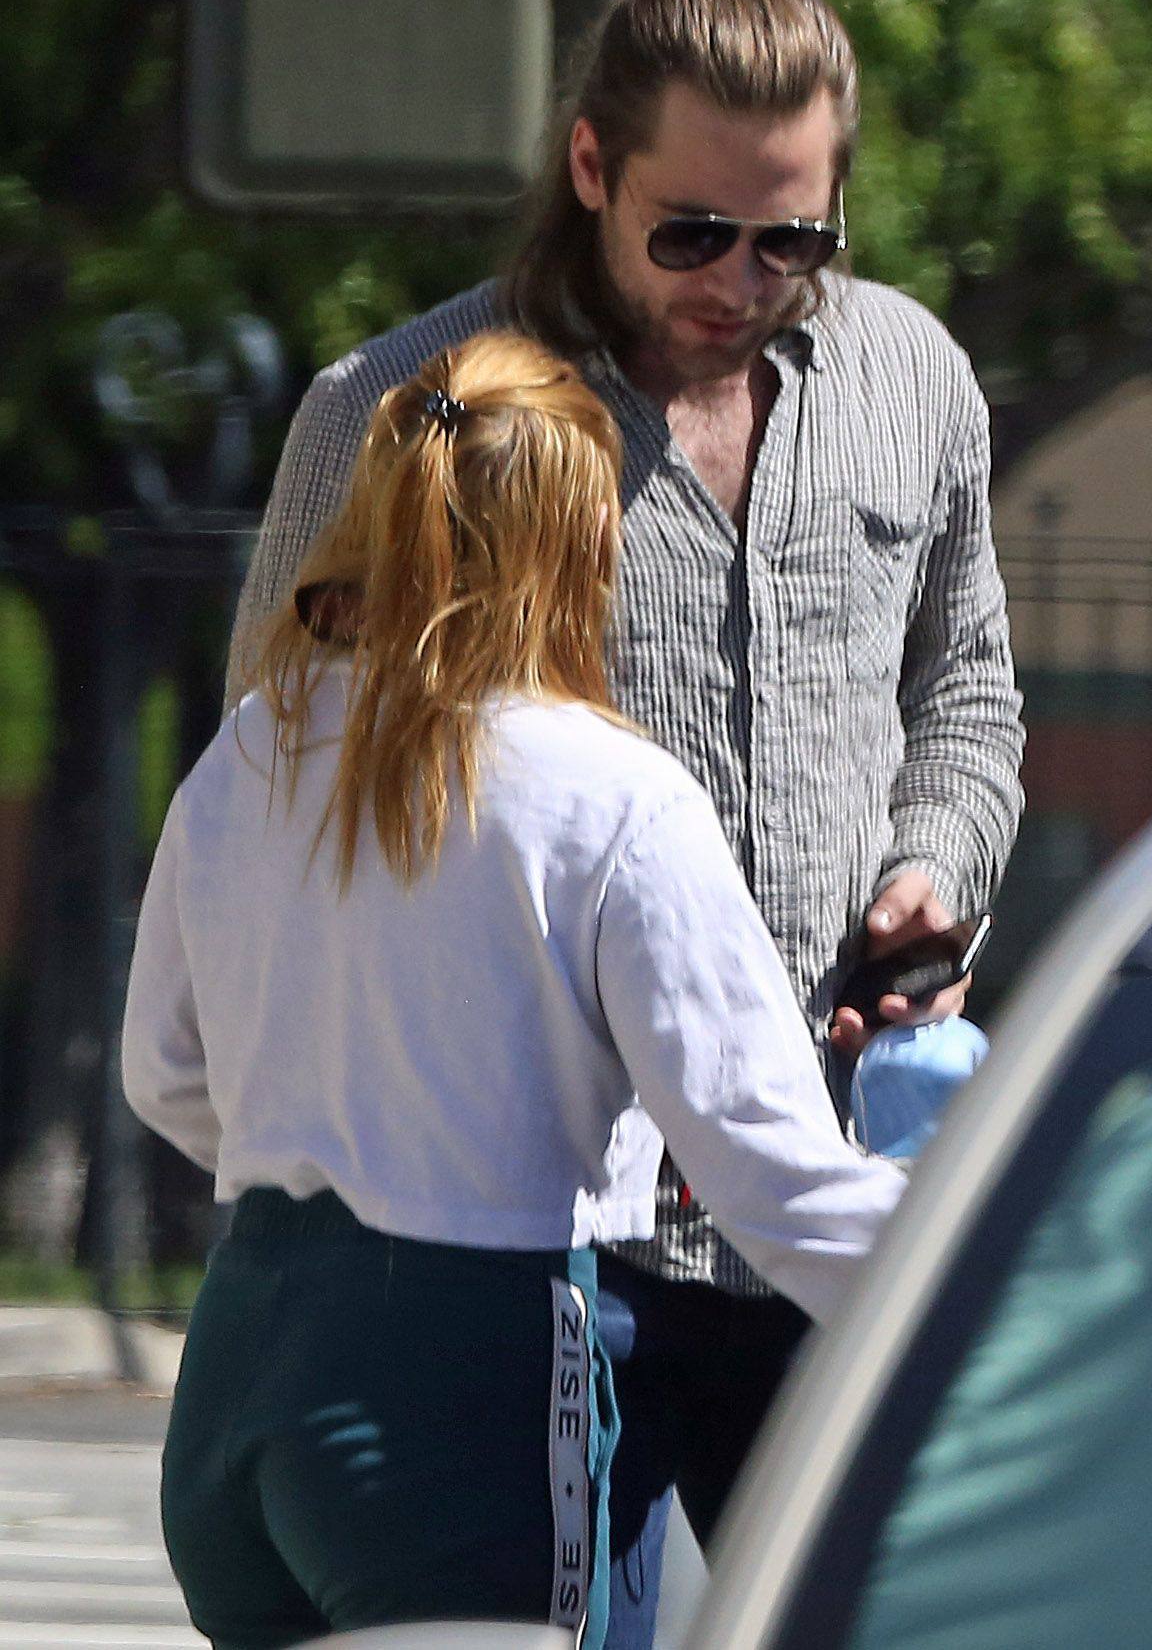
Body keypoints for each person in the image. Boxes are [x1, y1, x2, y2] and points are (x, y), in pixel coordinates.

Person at [224, 0, 1024, 1647]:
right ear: (590, 164)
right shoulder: (408, 414)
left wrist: (933, 864)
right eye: (692, 232)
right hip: (543, 1261)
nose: (741, 280)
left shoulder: (911, 379)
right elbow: (280, 780)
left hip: (824, 1206)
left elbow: (965, 689)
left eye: (793, 238)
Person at [123, 332, 907, 1650]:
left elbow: (163, 1070)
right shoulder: (610, 793)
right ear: (580, 540)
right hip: (460, 1377)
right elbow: (772, 1174)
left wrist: (347, 1140)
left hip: (246, 1355)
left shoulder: (256, 745)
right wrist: (999, 1277)